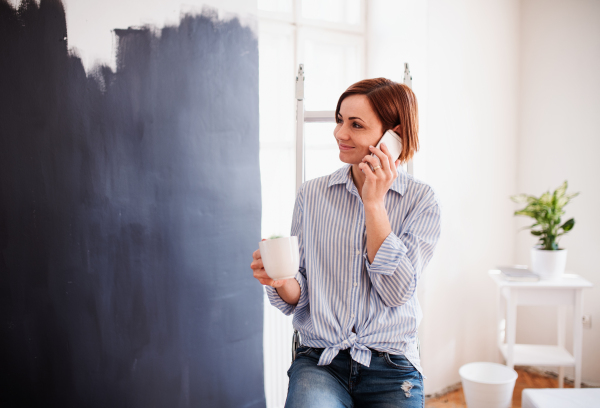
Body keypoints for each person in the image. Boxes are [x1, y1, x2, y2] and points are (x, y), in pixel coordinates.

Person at [250, 78, 441, 408]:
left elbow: (396, 292)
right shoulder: (311, 195)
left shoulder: (421, 201)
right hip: (321, 362)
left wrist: (374, 204)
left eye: (356, 125)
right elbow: (301, 292)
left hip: (392, 366)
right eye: (340, 120)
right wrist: (279, 280)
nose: (340, 133)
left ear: (392, 137)